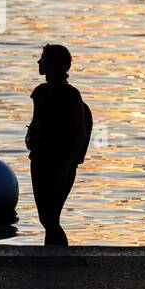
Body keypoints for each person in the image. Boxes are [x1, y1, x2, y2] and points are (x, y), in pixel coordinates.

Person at [26, 44, 89, 246]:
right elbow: (35, 124)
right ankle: (53, 256)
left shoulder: (71, 96)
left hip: (61, 165)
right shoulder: (40, 93)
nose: (39, 62)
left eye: (43, 58)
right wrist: (29, 138)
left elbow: (80, 134)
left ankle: (60, 256)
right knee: (47, 218)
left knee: (50, 218)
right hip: (39, 161)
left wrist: (66, 165)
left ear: (55, 65)